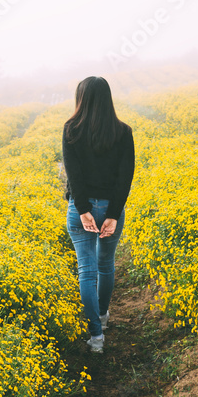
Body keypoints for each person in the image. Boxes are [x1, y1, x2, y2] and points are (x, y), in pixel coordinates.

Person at [62, 76, 135, 354]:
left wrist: (82, 210)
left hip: (80, 210)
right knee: (106, 264)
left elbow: (74, 174)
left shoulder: (71, 129)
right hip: (110, 208)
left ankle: (95, 338)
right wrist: (113, 214)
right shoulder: (123, 132)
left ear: (81, 99)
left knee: (86, 270)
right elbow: (124, 178)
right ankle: (103, 318)